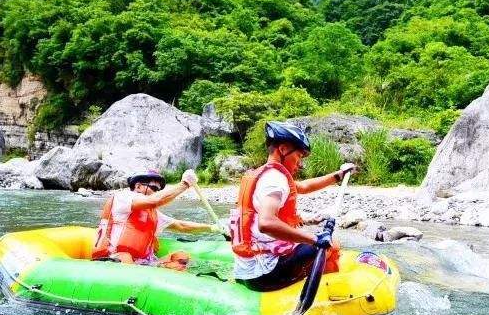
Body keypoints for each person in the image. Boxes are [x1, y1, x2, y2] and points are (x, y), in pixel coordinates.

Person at [230, 121, 356, 291]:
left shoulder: (265, 174)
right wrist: (315, 239)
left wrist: (338, 175)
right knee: (331, 243)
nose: (300, 163)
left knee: (313, 240)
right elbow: (266, 223)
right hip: (265, 274)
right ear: (283, 150)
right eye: (299, 156)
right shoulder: (275, 180)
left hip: (246, 271)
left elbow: (303, 187)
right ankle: (330, 291)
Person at [93, 168, 217, 270]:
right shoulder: (123, 198)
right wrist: (185, 184)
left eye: (158, 190)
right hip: (114, 256)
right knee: (126, 257)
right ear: (138, 186)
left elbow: (181, 225)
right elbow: (155, 200)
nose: (156, 192)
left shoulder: (152, 213)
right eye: (154, 188)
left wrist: (212, 227)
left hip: (143, 262)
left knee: (181, 257)